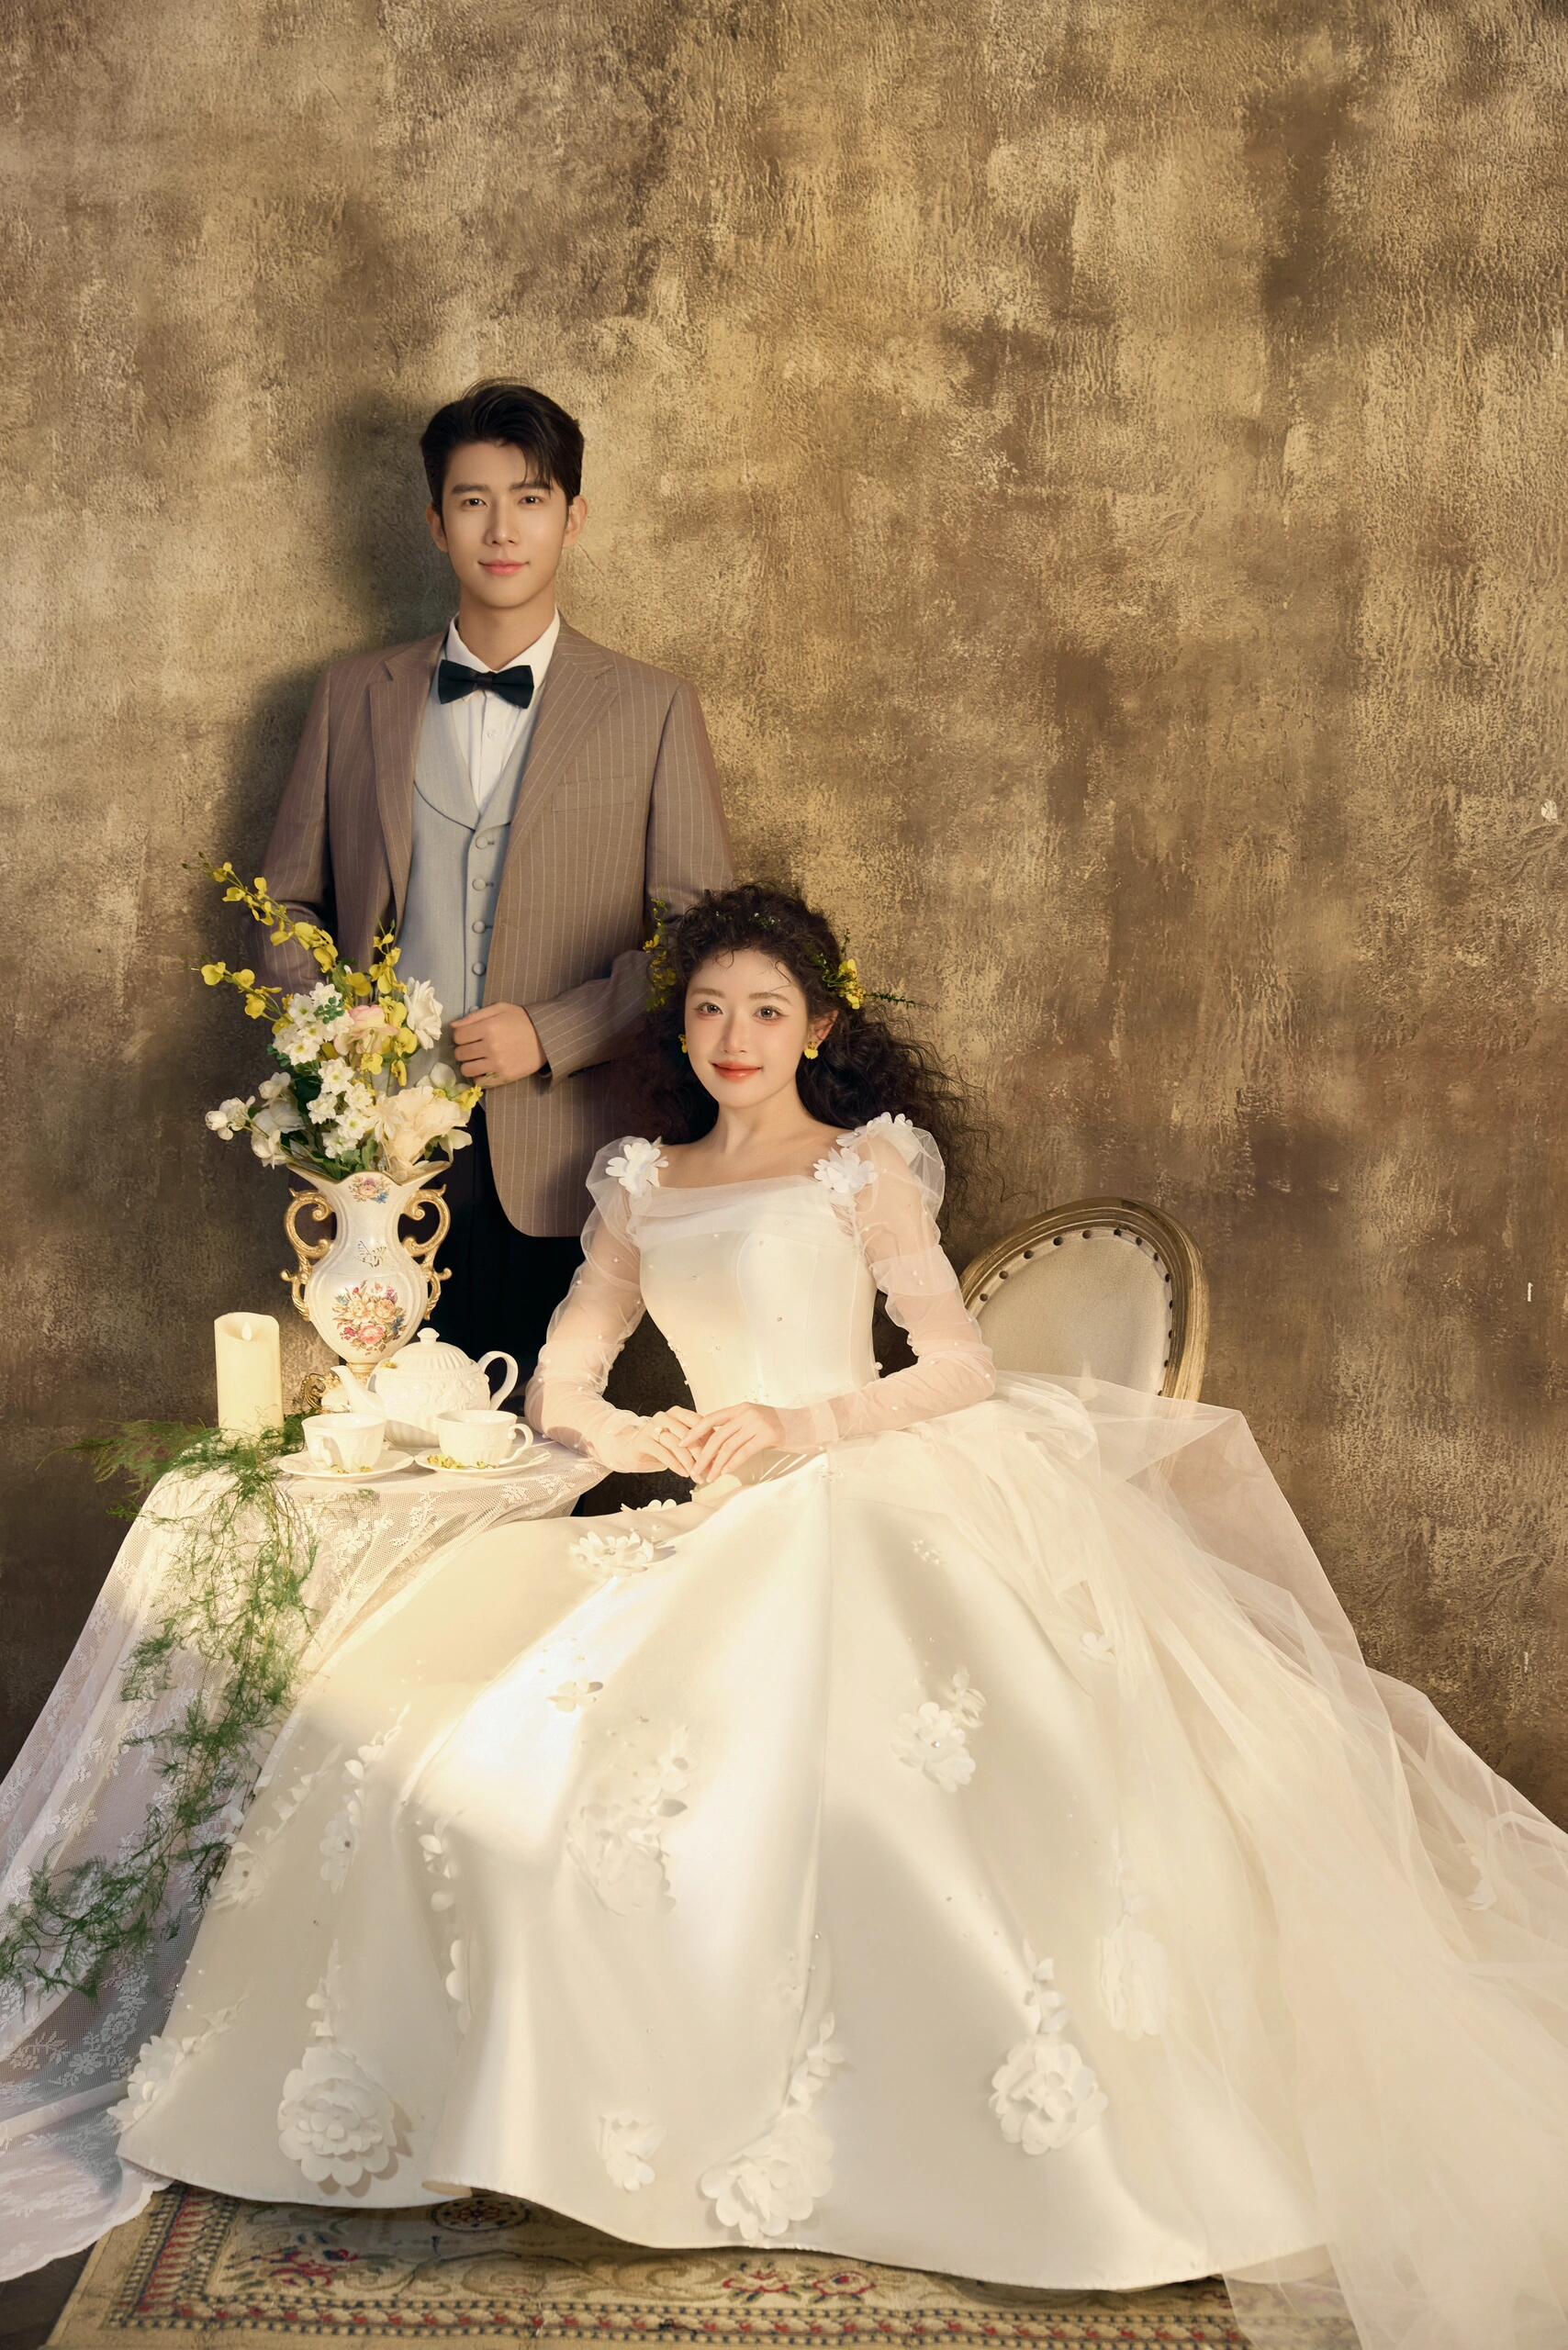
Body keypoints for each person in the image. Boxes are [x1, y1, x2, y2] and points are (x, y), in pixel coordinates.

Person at [77, 888, 1568, 2346]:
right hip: (712, 1500)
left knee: (845, 1734)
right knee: (467, 1724)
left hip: (861, 1479)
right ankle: (543, 2103)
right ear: (683, 1029)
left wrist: (805, 1423)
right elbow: (564, 1380)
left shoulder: (865, 1170)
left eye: (766, 1010)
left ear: (818, 1027)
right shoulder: (642, 1182)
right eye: (710, 1009)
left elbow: (958, 1365)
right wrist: (639, 1436)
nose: (736, 1036)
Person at [254, 379, 733, 1372]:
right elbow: (285, 903)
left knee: (549, 1436)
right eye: (473, 500)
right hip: (380, 1164)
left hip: (564, 1158)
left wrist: (553, 1032)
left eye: (530, 498)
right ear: (437, 523)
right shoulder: (352, 696)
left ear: (573, 518)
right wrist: (339, 1037)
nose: (502, 529)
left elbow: (699, 946)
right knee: (391, 1430)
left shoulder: (651, 707)